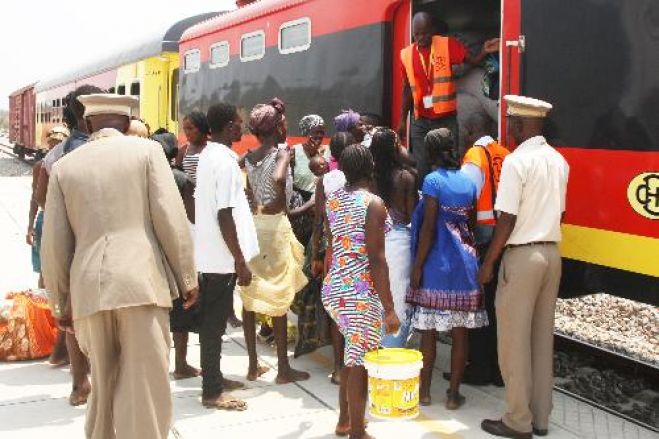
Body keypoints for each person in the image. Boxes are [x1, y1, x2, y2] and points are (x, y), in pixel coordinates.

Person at [41, 94, 198, 439]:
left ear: (87, 125)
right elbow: (170, 218)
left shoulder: (65, 167)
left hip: (88, 290)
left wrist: (59, 300)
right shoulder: (148, 152)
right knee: (144, 387)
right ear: (127, 124)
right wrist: (187, 276)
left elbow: (53, 243)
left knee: (104, 382)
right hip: (141, 284)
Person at [480, 96, 569, 439]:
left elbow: (507, 218)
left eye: (512, 123)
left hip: (523, 255)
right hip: (551, 254)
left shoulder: (517, 162)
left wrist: (489, 263)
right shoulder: (559, 161)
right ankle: (541, 418)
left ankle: (518, 420)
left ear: (518, 125)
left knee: (514, 343)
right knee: (541, 340)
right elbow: (560, 213)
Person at [322, 144, 400, 439]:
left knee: (352, 357)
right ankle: (357, 431)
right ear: (371, 167)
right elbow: (377, 259)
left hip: (335, 288)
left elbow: (336, 242)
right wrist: (389, 308)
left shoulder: (334, 200)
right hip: (359, 293)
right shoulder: (373, 204)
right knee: (359, 363)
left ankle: (345, 421)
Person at [407, 128, 488, 410]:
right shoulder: (468, 182)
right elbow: (472, 224)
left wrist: (416, 267)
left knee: (428, 333)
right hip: (465, 266)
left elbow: (429, 228)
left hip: (436, 265)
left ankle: (425, 393)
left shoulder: (432, 181)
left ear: (430, 153)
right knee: (460, 334)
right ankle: (453, 396)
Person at [36, 84, 103, 406]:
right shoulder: (107, 147)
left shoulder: (57, 153)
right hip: (101, 237)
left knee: (75, 313)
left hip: (74, 240)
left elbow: (40, 198)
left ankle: (80, 382)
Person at [194, 102, 260, 410]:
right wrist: (239, 260)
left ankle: (214, 377)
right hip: (222, 258)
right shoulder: (224, 163)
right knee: (213, 323)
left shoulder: (211, 156)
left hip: (213, 254)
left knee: (215, 322)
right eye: (237, 123)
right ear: (225, 126)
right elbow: (225, 214)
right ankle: (211, 391)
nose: (242, 127)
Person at [240, 98, 310, 384]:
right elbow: (280, 178)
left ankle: (253, 365)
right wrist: (279, 200)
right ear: (276, 128)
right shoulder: (281, 152)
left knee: (249, 293)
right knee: (279, 294)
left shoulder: (248, 156)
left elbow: (247, 190)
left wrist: (258, 203)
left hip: (254, 225)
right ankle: (283, 368)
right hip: (275, 227)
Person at [398, 11, 500, 183]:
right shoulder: (405, 55)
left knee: (451, 163)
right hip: (420, 120)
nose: (421, 38)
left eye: (425, 33)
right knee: (422, 166)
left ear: (432, 31)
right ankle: (426, 202)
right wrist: (402, 120)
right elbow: (407, 89)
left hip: (445, 119)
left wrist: (484, 51)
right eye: (417, 34)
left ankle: (452, 203)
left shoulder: (447, 45)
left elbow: (472, 61)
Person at [459, 112, 509, 386]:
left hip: (481, 236)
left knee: (478, 308)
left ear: (471, 130)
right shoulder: (505, 153)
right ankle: (498, 369)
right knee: (496, 306)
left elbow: (466, 199)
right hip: (503, 236)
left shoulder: (474, 156)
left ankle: (478, 369)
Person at [152, 132, 200, 380]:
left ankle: (158, 365)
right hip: (177, 250)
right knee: (182, 310)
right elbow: (192, 218)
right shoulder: (182, 180)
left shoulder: (146, 177)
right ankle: (181, 365)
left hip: (152, 251)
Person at [311, 131, 353, 384]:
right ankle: (356, 364)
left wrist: (316, 255)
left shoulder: (325, 181)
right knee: (357, 308)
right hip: (357, 252)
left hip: (333, 251)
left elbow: (318, 222)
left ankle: (338, 368)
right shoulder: (361, 179)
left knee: (337, 312)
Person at [369, 128, 418, 348]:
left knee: (374, 298)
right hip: (398, 241)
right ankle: (392, 352)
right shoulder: (405, 177)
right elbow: (411, 215)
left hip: (372, 240)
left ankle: (372, 352)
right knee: (397, 299)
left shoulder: (368, 177)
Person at [28, 126, 69, 365]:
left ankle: (54, 332)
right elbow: (36, 198)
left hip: (49, 217)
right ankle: (47, 322)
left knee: (50, 272)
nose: (54, 145)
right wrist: (30, 225)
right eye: (52, 142)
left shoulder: (49, 165)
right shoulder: (42, 166)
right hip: (48, 218)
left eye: (57, 142)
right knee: (46, 272)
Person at [175, 111, 210, 183]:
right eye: (185, 129)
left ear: (202, 128)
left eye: (190, 128)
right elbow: (178, 178)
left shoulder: (214, 149)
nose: (187, 132)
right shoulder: (183, 151)